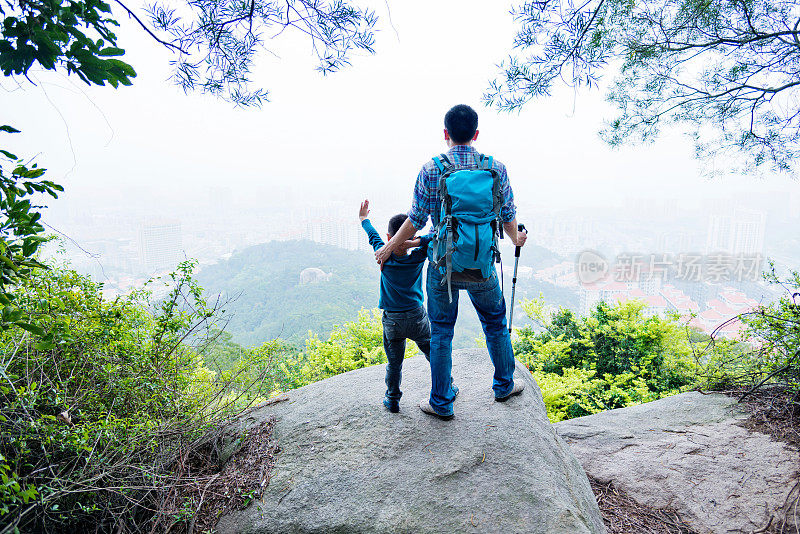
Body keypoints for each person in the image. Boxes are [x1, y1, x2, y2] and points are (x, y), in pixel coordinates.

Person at [374, 104, 528, 420]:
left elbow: (415, 219)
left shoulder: (432, 169)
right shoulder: (495, 168)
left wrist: (389, 247)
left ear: (446, 134)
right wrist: (516, 240)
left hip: (444, 267)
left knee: (442, 332)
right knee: (495, 323)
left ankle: (442, 403)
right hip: (482, 265)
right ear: (476, 134)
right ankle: (504, 385)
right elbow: (509, 217)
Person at [359, 200, 457, 413]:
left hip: (392, 320)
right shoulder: (418, 257)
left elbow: (372, 234)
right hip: (416, 317)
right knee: (432, 353)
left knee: (394, 364)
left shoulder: (382, 254)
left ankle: (392, 400)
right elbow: (435, 236)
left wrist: (363, 218)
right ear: (411, 236)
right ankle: (448, 386)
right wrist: (414, 243)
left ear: (389, 239)